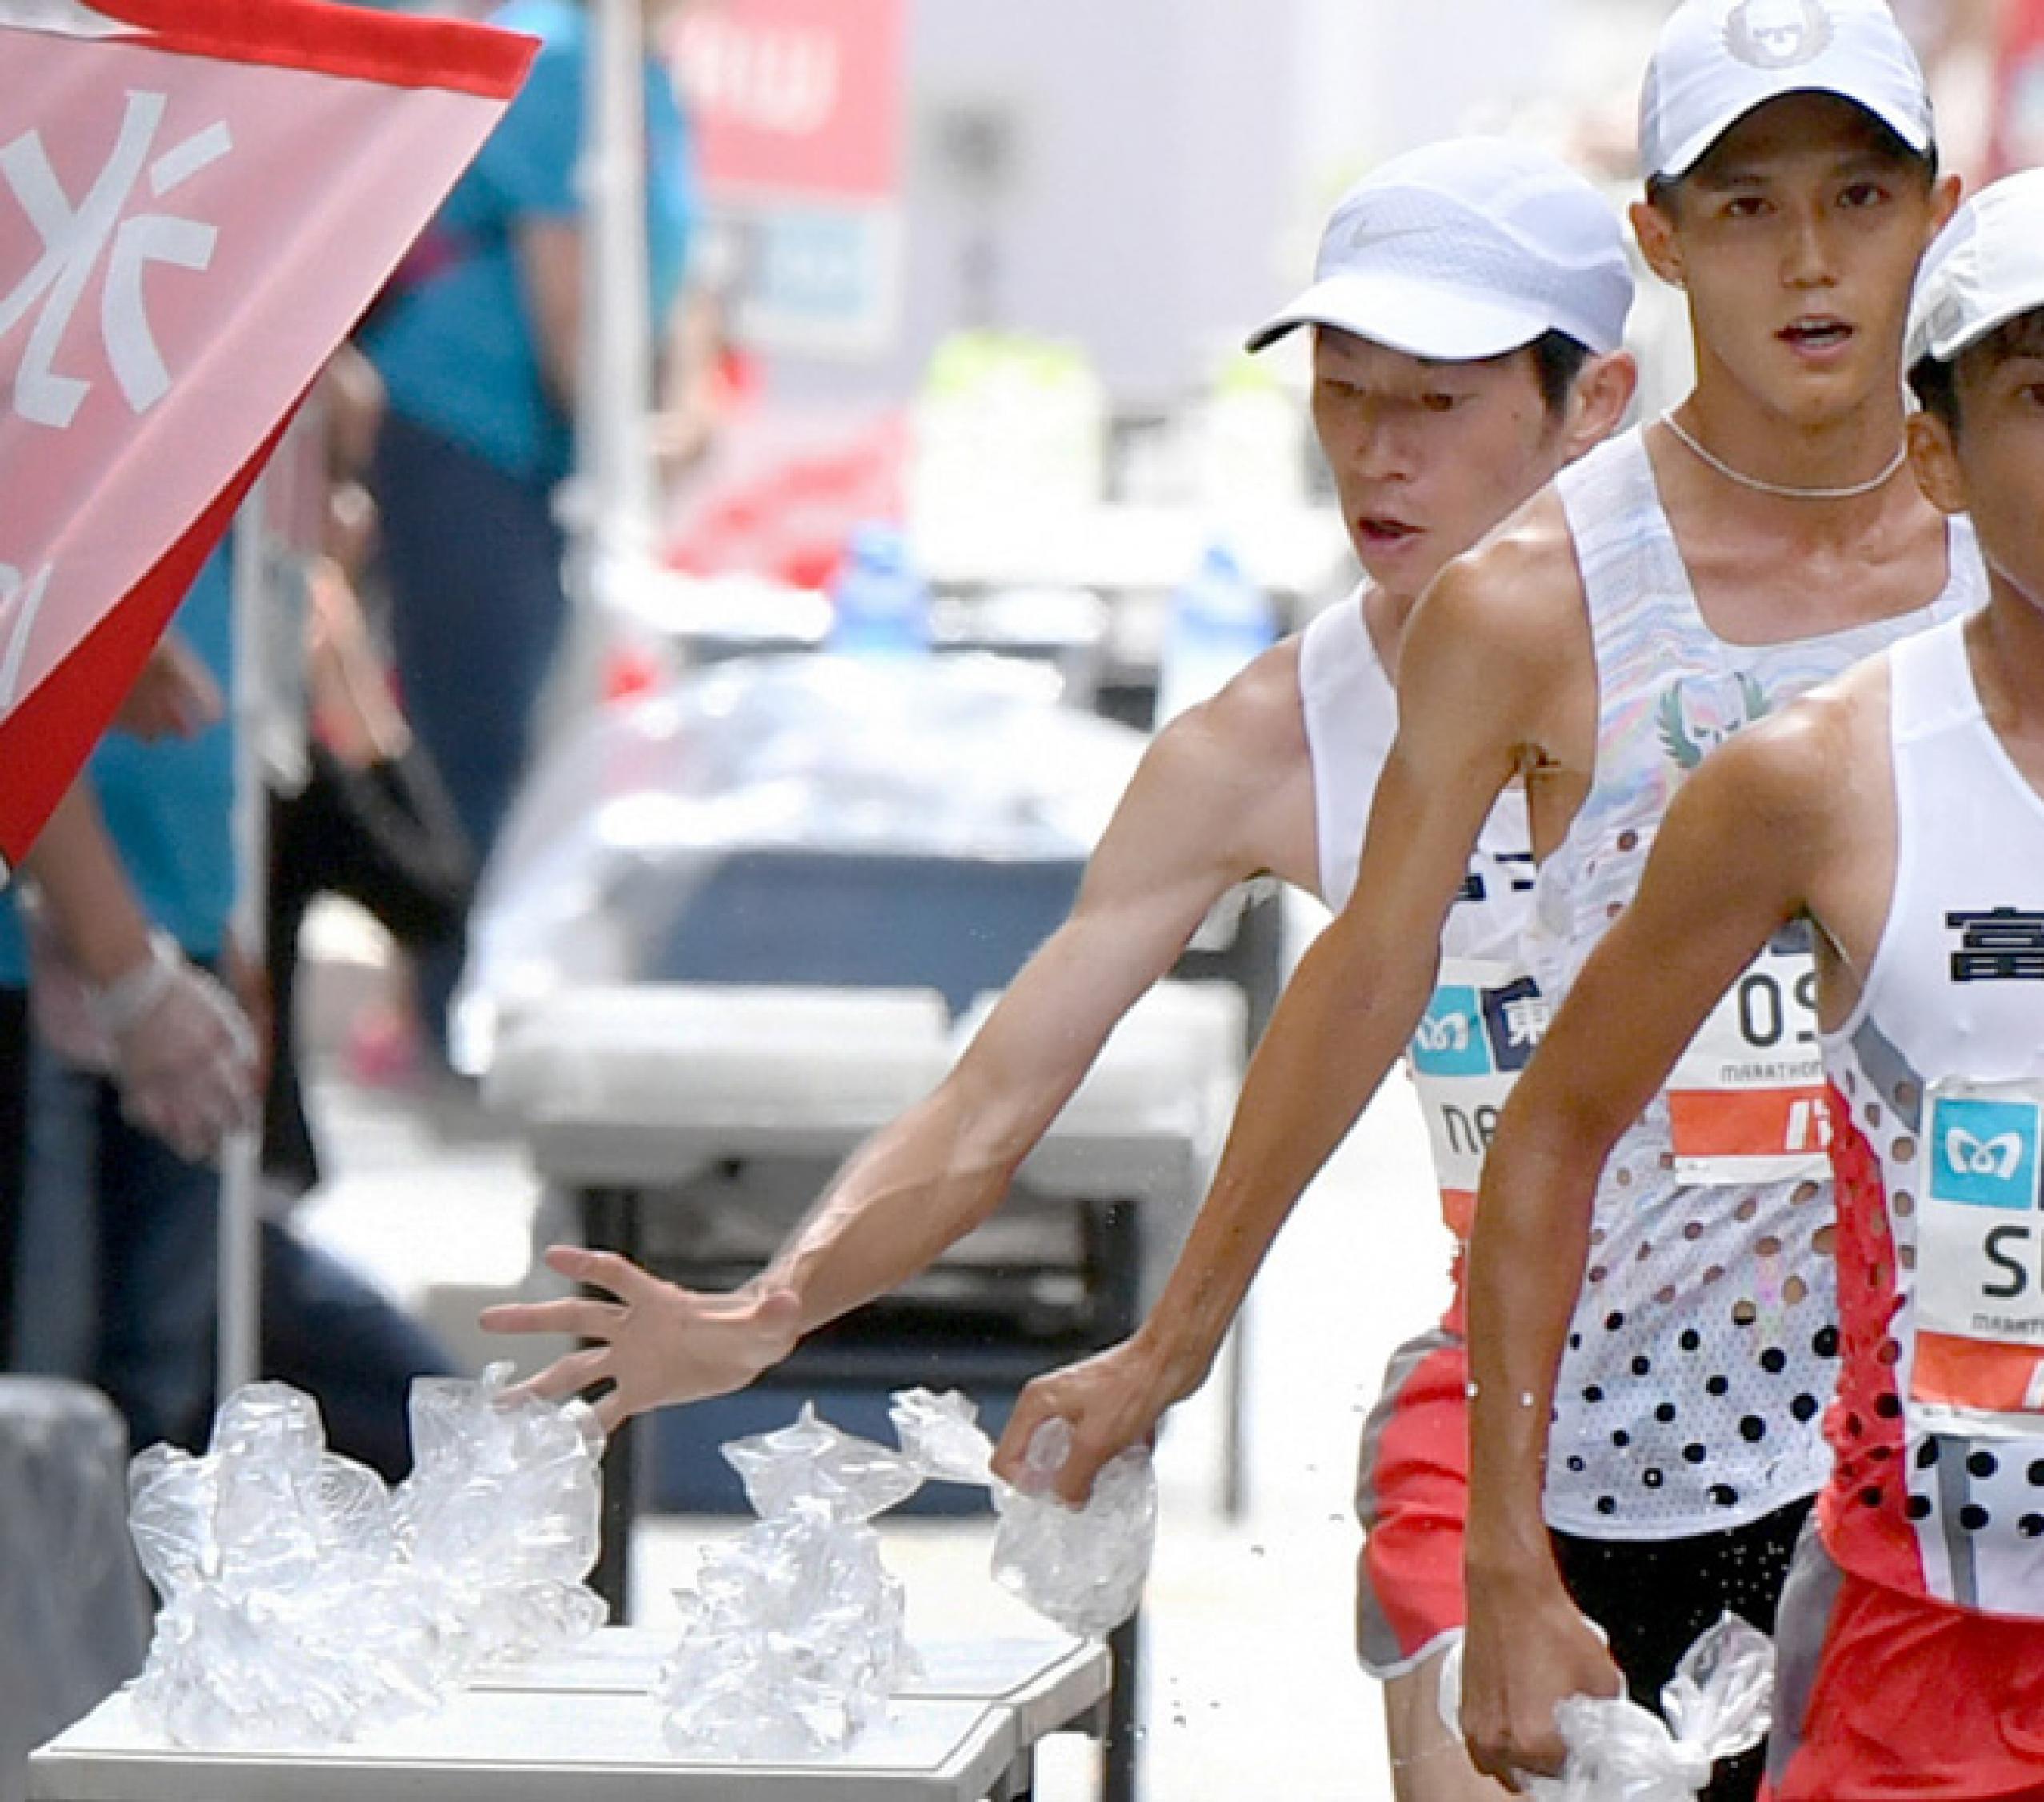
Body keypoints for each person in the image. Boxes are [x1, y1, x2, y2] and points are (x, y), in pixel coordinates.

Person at [484, 136, 1638, 1799]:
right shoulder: (1261, 743)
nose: (1376, 455)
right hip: (1502, 1384)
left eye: (1438, 404)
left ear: (1588, 401)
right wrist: (771, 1306)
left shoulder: (1755, 670)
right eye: (1342, 394)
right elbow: (994, 1095)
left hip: (1825, 1380)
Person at [959, 8, 1982, 1799]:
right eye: (1745, 208)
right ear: (1659, 238)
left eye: (1859, 196)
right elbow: (1378, 973)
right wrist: (1176, 1346)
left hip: (1950, 1445)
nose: (1812, 260)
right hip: (1621, 1430)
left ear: (1935, 211)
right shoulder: (1529, 600)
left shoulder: (2014, 542)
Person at [1459, 169, 2044, 1800]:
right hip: (1928, 1641)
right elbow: (1554, 1129)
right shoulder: (1820, 779)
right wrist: (1504, 1553)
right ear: (1938, 457)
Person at [358, 0, 698, 1061]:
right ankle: (461, 1024)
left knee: (513, 743)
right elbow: (573, 320)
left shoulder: (641, 74)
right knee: (481, 750)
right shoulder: (562, 59)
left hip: (530, 455)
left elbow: (667, 277)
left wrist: (671, 420)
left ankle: (476, 1005)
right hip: (462, 437)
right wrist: (637, 457)